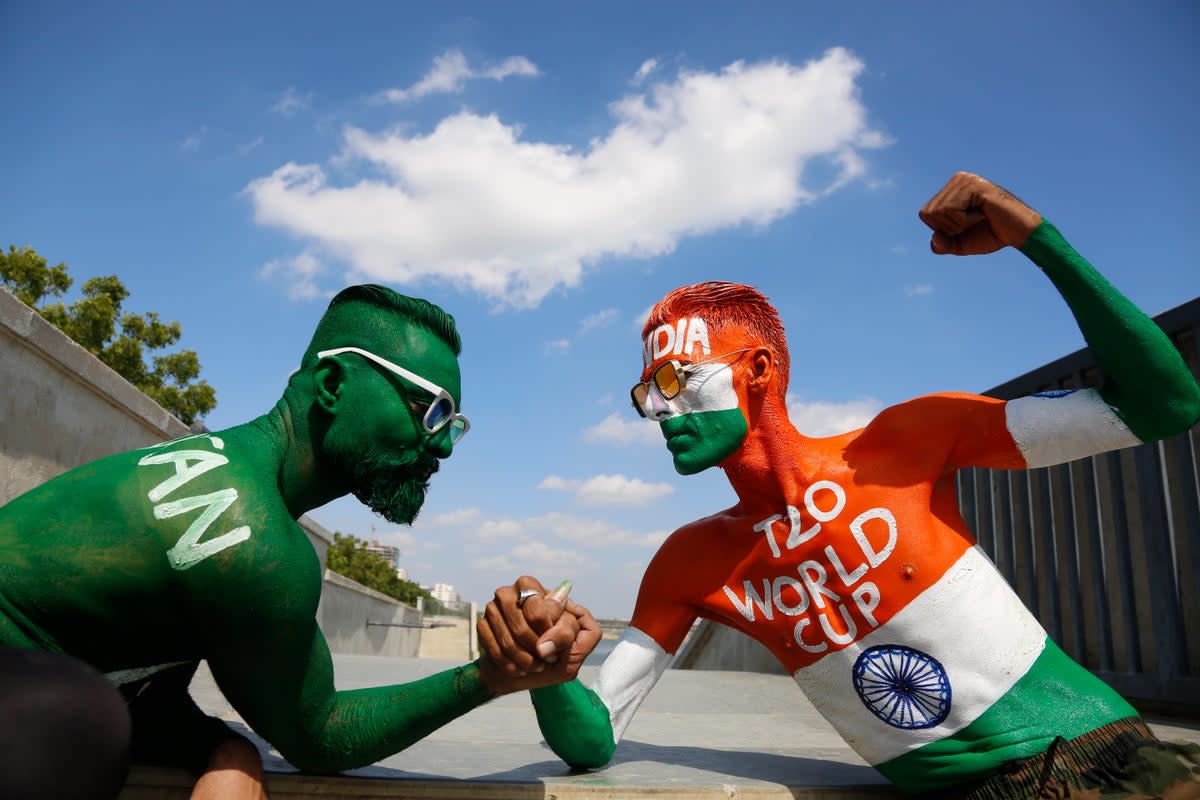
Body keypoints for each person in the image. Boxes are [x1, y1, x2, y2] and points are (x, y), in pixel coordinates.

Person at [492, 173, 1200, 798]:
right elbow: (596, 740)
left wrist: (1036, 238)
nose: (660, 410)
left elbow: (1166, 405)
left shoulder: (904, 442)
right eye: (647, 391)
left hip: (1108, 758)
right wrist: (548, 673)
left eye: (677, 379)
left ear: (760, 370)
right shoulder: (690, 564)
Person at [0, 284, 601, 800]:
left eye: (454, 425)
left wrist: (227, 751)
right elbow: (320, 734)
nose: (442, 447)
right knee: (76, 722)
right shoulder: (251, 538)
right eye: (432, 411)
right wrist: (490, 677)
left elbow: (144, 686)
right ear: (335, 383)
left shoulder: (218, 476)